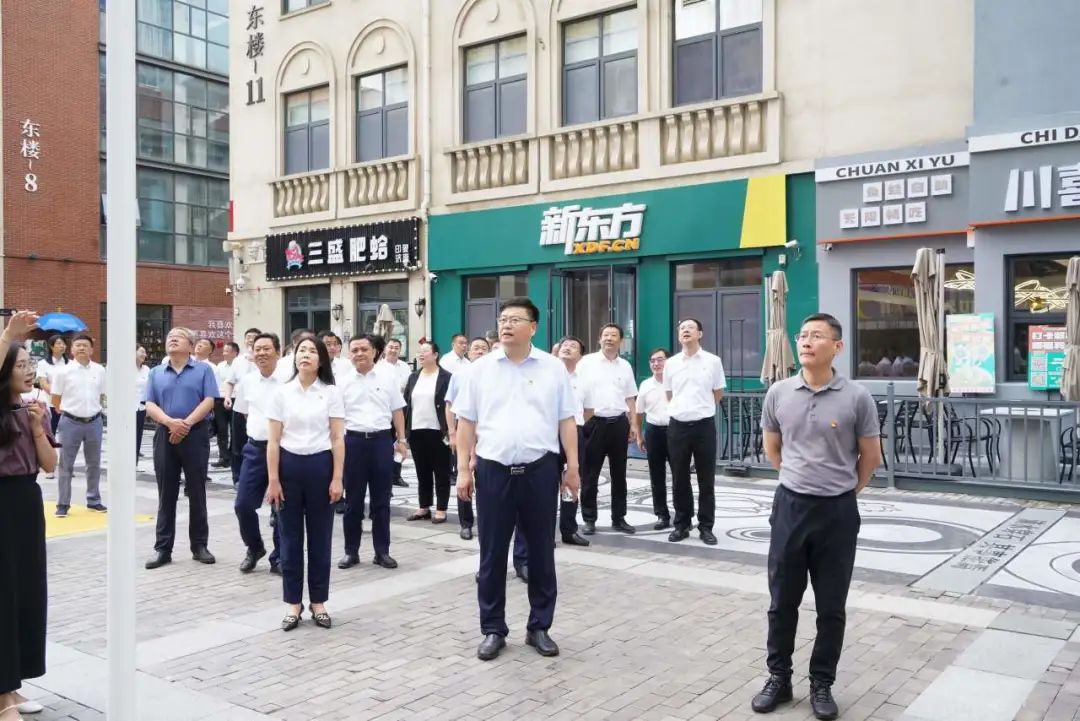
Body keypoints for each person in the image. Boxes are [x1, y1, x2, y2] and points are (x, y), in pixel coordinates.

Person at [752, 313, 881, 720]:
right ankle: (779, 678)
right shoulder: (778, 392)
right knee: (782, 601)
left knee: (831, 605)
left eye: (817, 336)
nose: (806, 342)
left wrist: (843, 491)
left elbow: (871, 456)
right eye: (803, 335)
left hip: (837, 513)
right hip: (790, 508)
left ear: (837, 347)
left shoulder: (857, 397)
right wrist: (798, 480)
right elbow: (773, 448)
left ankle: (822, 682)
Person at [454, 297, 579, 662]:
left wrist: (573, 466)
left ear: (533, 327)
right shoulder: (480, 369)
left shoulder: (553, 369)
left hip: (540, 470)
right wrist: (463, 469)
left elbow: (566, 420)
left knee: (541, 552)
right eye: (503, 319)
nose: (506, 325)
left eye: (515, 319)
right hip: (494, 470)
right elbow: (466, 423)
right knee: (492, 553)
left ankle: (539, 626)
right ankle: (493, 629)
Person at [0, 312, 58, 721]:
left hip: (26, 502)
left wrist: (37, 428)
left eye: (29, 364)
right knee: (2, 595)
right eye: (19, 365)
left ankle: (14, 685)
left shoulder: (33, 409)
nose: (28, 370)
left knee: (26, 592)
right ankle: (2, 695)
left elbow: (50, 464)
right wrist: (9, 335)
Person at [266, 336, 345, 631]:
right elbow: (273, 441)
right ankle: (293, 604)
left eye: (312, 351)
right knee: (289, 539)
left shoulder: (331, 393)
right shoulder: (281, 393)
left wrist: (337, 478)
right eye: (301, 350)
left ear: (321, 360)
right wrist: (273, 480)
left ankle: (319, 602)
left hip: (321, 467)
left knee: (320, 538)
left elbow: (337, 438)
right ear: (294, 357)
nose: (306, 355)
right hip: (288, 467)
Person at [144, 327, 220, 570]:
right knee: (166, 493)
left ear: (190, 345)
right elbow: (150, 404)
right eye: (170, 337)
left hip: (195, 434)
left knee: (197, 491)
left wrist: (185, 425)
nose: (172, 340)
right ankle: (163, 548)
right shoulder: (156, 372)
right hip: (164, 434)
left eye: (178, 337)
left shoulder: (203, 370)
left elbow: (209, 400)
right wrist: (170, 423)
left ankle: (199, 546)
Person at [337, 334, 407, 571]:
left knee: (381, 501)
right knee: (353, 501)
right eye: (354, 350)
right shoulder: (342, 382)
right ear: (349, 354)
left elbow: (397, 410)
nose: (359, 354)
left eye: (364, 349)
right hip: (353, 443)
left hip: (381, 442)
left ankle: (382, 551)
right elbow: (336, 417)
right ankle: (351, 551)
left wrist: (401, 439)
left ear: (374, 352)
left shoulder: (388, 378)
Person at [663, 319, 726, 546]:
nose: (685, 331)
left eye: (690, 328)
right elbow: (669, 393)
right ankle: (681, 524)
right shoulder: (671, 363)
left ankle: (706, 526)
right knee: (679, 478)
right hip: (678, 425)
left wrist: (701, 408)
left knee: (706, 479)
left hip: (703, 426)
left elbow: (717, 392)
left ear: (700, 333)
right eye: (682, 328)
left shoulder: (713, 361)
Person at [578, 323, 639, 535]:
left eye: (614, 335)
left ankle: (619, 517)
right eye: (605, 335)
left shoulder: (625, 366)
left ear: (621, 341)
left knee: (619, 474)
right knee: (590, 474)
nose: (609, 338)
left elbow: (630, 397)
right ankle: (589, 519)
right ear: (599, 339)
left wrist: (633, 424)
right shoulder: (586, 363)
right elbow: (576, 392)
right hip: (594, 423)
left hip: (619, 424)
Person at [232, 333, 284, 575]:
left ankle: (279, 557)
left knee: (281, 507)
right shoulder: (247, 381)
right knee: (243, 505)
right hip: (255, 450)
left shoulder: (289, 381)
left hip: (284, 450)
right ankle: (254, 548)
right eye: (257, 349)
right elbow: (244, 413)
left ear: (278, 352)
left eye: (266, 348)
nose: (261, 353)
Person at [50, 333, 107, 517]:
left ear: (92, 349)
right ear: (72, 349)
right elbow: (55, 399)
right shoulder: (63, 371)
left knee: (94, 463)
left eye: (85, 345)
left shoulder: (100, 370)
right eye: (78, 345)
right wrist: (66, 413)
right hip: (70, 422)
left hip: (94, 421)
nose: (82, 348)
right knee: (66, 464)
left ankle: (94, 500)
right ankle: (63, 504)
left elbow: (102, 395)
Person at [444, 338, 493, 540]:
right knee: (463, 475)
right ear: (469, 353)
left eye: (484, 348)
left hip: (488, 433)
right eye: (476, 348)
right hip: (464, 431)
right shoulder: (459, 375)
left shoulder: (495, 374)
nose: (480, 351)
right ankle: (465, 523)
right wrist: (452, 433)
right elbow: (449, 405)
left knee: (486, 479)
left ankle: (487, 521)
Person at [403, 341, 452, 524]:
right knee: (422, 471)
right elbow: (406, 403)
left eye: (425, 351)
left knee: (441, 471)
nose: (421, 354)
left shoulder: (446, 377)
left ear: (436, 355)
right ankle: (423, 507)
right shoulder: (413, 377)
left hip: (438, 431)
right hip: (416, 431)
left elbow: (451, 404)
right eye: (419, 351)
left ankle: (441, 509)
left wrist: (451, 431)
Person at [555, 337, 590, 547]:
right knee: (546, 483)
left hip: (575, 432)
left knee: (571, 480)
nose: (567, 348)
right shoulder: (547, 375)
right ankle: (544, 531)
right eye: (565, 345)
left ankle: (569, 529)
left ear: (580, 356)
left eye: (573, 346)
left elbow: (589, 410)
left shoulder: (584, 380)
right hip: (549, 432)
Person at [637, 348, 672, 530]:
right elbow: (639, 412)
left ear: (669, 362)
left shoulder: (676, 382)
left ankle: (684, 516)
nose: (656, 364)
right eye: (652, 361)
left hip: (675, 430)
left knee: (680, 475)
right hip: (653, 431)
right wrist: (639, 435)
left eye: (660, 360)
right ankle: (661, 515)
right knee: (656, 475)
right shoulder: (645, 385)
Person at [223, 328, 261, 486]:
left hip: (260, 408)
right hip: (240, 406)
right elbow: (229, 381)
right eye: (248, 337)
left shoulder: (265, 359)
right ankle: (237, 478)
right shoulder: (238, 361)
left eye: (254, 337)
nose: (251, 339)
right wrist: (227, 397)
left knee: (258, 441)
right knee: (238, 443)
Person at [378, 337, 413, 489]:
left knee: (400, 441)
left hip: (400, 409)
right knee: (387, 444)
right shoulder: (379, 366)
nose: (393, 350)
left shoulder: (405, 367)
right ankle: (385, 478)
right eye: (390, 347)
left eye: (396, 348)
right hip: (384, 410)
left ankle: (396, 475)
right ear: (385, 349)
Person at [211, 342, 240, 468]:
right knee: (221, 429)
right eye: (224, 351)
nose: (224, 353)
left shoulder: (240, 365)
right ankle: (224, 457)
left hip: (236, 399)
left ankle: (233, 456)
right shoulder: (220, 366)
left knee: (235, 430)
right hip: (220, 399)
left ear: (235, 353)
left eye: (227, 351)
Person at [34, 334, 68, 436]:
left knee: (66, 434)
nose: (62, 346)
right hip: (50, 403)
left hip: (67, 404)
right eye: (59, 343)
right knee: (50, 432)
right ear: (51, 346)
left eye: (64, 343)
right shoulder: (43, 363)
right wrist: (57, 397)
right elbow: (43, 383)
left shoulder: (70, 364)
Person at [135, 346, 151, 460]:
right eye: (142, 351)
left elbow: (149, 388)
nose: (144, 355)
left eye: (145, 352)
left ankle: (134, 463)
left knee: (138, 436)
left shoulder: (146, 369)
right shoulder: (124, 368)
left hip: (141, 408)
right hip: (126, 409)